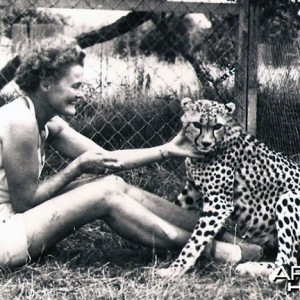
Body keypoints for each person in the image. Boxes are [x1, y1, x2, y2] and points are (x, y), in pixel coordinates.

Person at [0, 37, 248, 269]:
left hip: (15, 221)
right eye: (76, 86)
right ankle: (217, 252)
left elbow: (108, 159)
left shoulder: (45, 121)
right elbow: (25, 202)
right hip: (6, 234)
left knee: (113, 183)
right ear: (45, 82)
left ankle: (228, 236)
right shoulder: (20, 121)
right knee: (104, 193)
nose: (82, 94)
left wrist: (167, 150)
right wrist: (76, 168)